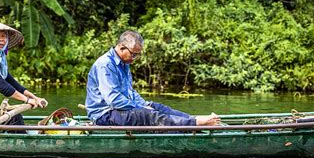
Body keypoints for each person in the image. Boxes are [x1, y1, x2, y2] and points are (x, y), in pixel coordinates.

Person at [85, 30, 220, 126]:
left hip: (119, 109)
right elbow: (114, 100)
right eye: (133, 55)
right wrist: (141, 108)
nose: (134, 59)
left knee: (157, 107)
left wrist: (144, 104)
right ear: (121, 47)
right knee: (147, 115)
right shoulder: (105, 65)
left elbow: (129, 92)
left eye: (137, 55)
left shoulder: (124, 63)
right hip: (105, 115)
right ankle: (195, 123)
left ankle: (192, 119)